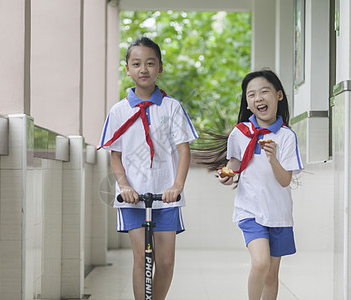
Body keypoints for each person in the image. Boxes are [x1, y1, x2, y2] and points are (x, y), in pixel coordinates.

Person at [98, 36, 198, 300]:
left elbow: (183, 149)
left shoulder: (172, 107)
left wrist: (177, 186)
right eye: (137, 63)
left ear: (160, 68)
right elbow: (115, 155)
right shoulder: (118, 111)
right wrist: (124, 186)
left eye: (150, 63)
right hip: (133, 199)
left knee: (165, 263)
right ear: (128, 69)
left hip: (166, 198)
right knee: (143, 259)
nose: (144, 69)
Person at [195, 70, 303, 300]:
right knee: (261, 262)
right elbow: (234, 163)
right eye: (251, 95)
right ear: (248, 103)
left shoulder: (286, 137)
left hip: (279, 213)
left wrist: (273, 159)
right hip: (250, 210)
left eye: (264, 92)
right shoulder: (240, 132)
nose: (258, 98)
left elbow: (285, 181)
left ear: (279, 96)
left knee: (272, 276)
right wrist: (227, 175)